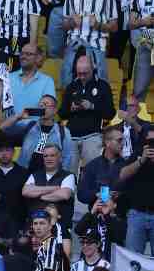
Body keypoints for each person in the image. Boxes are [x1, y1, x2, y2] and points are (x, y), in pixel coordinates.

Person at [58, 55, 117, 175]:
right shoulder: (71, 87)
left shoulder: (102, 86)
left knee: (93, 173)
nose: (82, 76)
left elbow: (110, 113)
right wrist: (71, 109)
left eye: (85, 73)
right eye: (79, 73)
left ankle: (92, 193)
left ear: (93, 68)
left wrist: (92, 106)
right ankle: (69, 194)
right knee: (68, 174)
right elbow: (61, 113)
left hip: (93, 135)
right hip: (71, 136)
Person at [1, 95, 74, 174]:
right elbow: (3, 128)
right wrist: (18, 117)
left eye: (46, 105)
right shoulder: (29, 125)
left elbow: (67, 157)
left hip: (48, 177)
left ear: (55, 110)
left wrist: (59, 178)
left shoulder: (63, 132)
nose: (43, 108)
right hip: (24, 173)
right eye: (41, 105)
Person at [118, 126, 154, 255]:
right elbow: (122, 175)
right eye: (149, 141)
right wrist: (141, 160)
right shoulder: (138, 153)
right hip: (137, 213)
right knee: (133, 257)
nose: (152, 145)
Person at [77, 127, 126, 207]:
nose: (123, 143)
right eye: (119, 140)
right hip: (97, 213)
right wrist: (98, 194)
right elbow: (82, 195)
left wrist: (120, 195)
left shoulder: (127, 165)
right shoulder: (92, 166)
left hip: (122, 214)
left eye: (123, 140)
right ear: (107, 142)